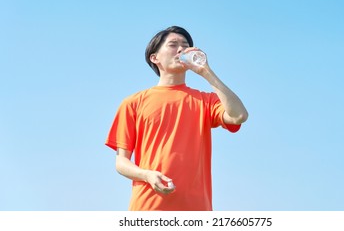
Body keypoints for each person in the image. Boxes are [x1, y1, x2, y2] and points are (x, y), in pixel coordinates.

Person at [105, 26, 248, 211]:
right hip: (148, 208)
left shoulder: (205, 100)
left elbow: (239, 116)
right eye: (173, 45)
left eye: (185, 45)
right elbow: (121, 163)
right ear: (154, 57)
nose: (181, 49)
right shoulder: (133, 103)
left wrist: (207, 73)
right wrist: (147, 175)